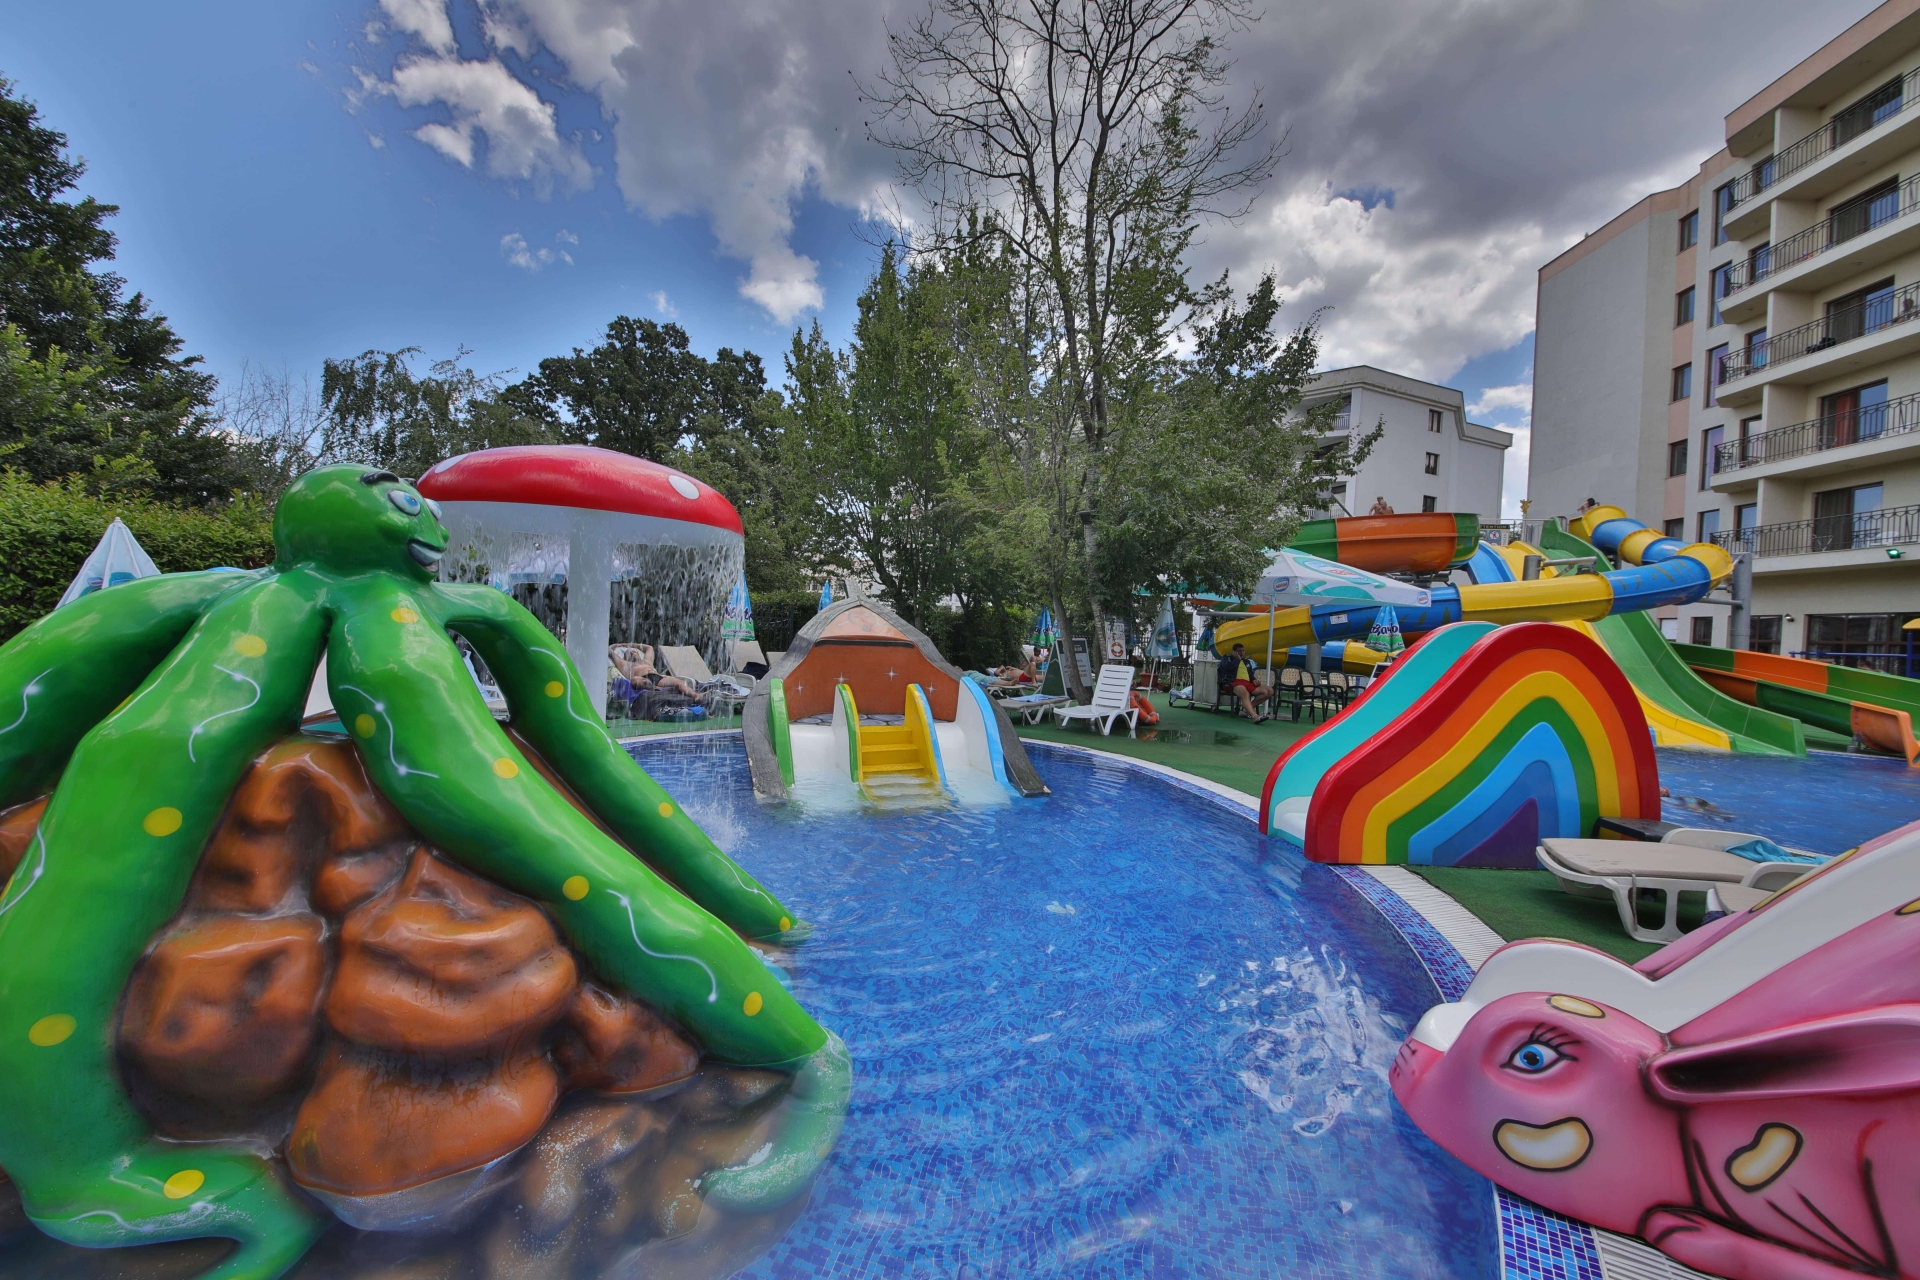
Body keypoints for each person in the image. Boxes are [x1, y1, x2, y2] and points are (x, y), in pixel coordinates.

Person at [1217, 642, 1271, 722]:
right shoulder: (1227, 658)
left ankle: (1246, 710)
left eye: (1243, 651)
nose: (1242, 653)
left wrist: (1254, 680)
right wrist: (1237, 659)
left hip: (1247, 683)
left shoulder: (1247, 662)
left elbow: (1251, 675)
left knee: (1269, 691)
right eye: (1239, 651)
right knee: (1245, 693)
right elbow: (1227, 667)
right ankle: (1255, 716)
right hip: (1232, 682)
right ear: (1234, 652)